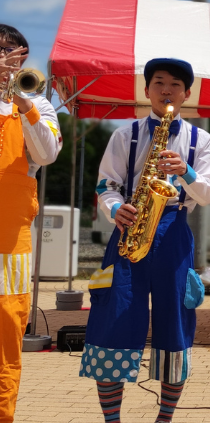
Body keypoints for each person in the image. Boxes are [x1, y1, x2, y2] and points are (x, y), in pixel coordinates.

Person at [79, 58, 210, 423]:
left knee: (175, 321)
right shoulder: (125, 135)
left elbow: (206, 193)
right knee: (115, 318)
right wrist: (115, 209)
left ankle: (165, 419)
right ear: (147, 91)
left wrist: (185, 171)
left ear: (187, 94)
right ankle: (113, 420)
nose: (167, 90)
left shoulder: (201, 139)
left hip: (173, 231)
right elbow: (105, 185)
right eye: (159, 82)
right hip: (129, 229)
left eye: (175, 84)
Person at [0, 24, 62, 423]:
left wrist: (24, 103)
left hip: (12, 236)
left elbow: (48, 152)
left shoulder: (39, 103)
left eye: (6, 50)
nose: (1, 57)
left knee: (7, 327)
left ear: (21, 55)